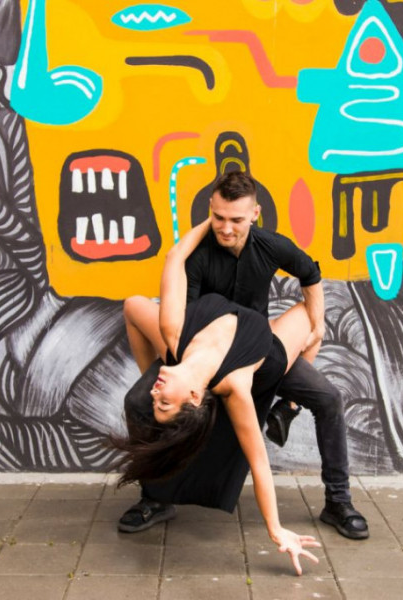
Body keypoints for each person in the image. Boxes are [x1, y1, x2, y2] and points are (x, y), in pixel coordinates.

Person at [120, 171, 368, 540]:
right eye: (218, 217)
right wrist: (162, 371)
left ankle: (338, 501)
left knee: (329, 398)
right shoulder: (198, 259)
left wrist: (317, 326)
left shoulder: (270, 246)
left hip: (260, 350)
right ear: (210, 211)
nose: (225, 228)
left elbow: (310, 273)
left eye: (236, 219)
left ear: (255, 214)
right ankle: (155, 497)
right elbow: (179, 313)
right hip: (197, 349)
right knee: (138, 400)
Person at [115, 218, 321, 575]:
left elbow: (175, 256)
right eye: (164, 402)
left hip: (206, 340)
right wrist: (276, 530)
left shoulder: (173, 332)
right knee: (313, 321)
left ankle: (286, 407)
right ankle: (289, 405)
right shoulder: (236, 386)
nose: (153, 391)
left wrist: (213, 220)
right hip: (265, 352)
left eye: (156, 400)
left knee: (133, 304)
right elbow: (259, 462)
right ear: (196, 397)